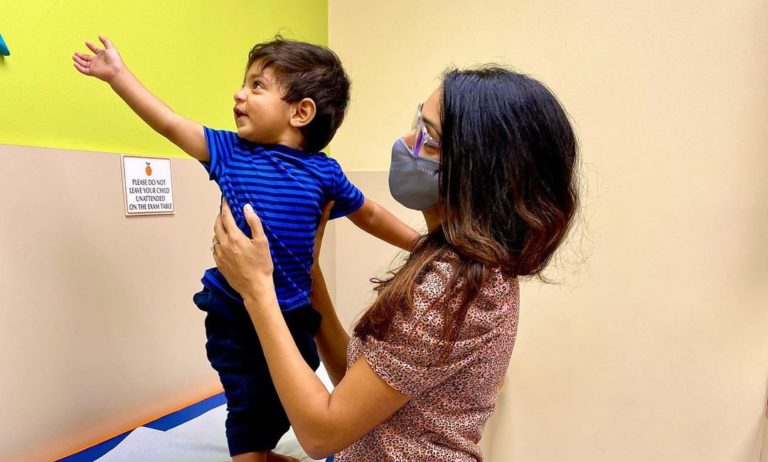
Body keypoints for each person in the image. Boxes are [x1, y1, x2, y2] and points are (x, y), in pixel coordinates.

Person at [73, 36, 417, 462]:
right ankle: (249, 454)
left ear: (301, 112)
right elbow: (168, 122)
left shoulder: (324, 171)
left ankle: (264, 449)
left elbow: (371, 213)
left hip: (293, 310)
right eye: (245, 83)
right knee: (247, 395)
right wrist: (118, 76)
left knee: (292, 388)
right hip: (233, 310)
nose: (239, 93)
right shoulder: (230, 152)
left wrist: (421, 246)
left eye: (257, 86)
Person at [211, 66, 580, 461]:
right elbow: (362, 383)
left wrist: (257, 290)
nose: (406, 142)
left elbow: (319, 436)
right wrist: (308, 270)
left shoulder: (453, 288)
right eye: (416, 125)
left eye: (430, 139)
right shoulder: (460, 264)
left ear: (480, 173)